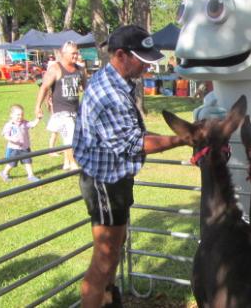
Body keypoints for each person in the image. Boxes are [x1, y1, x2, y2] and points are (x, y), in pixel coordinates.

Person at [73, 25, 182, 308]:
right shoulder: (109, 93)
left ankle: (109, 300)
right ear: (120, 55)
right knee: (104, 258)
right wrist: (184, 138)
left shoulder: (119, 83)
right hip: (104, 181)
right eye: (142, 59)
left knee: (113, 251)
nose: (147, 66)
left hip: (113, 178)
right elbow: (132, 143)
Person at [34, 41, 86, 170]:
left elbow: (86, 88)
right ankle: (73, 163)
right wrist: (38, 107)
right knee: (69, 135)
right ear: (64, 53)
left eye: (77, 53)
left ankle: (66, 162)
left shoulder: (80, 69)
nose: (76, 56)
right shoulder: (55, 68)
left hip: (75, 110)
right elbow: (44, 87)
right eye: (73, 53)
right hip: (61, 111)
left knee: (70, 135)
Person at [0, 104, 41, 182]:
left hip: (25, 148)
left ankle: (31, 176)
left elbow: (32, 124)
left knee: (28, 161)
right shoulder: (9, 125)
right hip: (14, 149)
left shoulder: (24, 123)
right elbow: (5, 135)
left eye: (22, 114)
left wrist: (38, 118)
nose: (20, 117)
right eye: (18, 115)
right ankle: (4, 173)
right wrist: (12, 139)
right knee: (11, 163)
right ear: (11, 115)